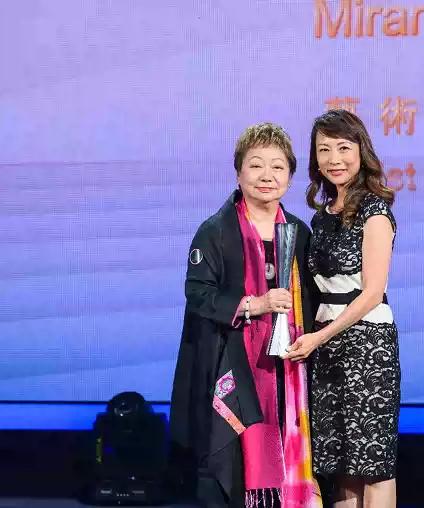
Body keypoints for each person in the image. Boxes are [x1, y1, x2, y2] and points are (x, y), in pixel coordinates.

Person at [170, 123, 321, 507]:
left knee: (285, 457)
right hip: (231, 365)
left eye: (277, 166)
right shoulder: (216, 232)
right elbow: (198, 294)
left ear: (290, 176)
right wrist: (255, 305)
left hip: (287, 371)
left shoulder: (299, 233)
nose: (267, 175)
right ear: (238, 173)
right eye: (256, 165)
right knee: (229, 471)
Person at [285, 110, 400, 507]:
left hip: (367, 346)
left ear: (360, 151)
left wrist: (319, 338)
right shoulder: (320, 218)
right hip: (326, 347)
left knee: (373, 463)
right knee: (339, 466)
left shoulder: (375, 211)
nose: (334, 159)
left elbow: (372, 293)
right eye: (324, 150)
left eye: (343, 148)